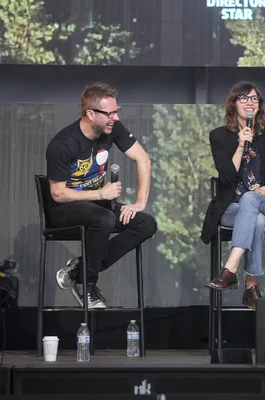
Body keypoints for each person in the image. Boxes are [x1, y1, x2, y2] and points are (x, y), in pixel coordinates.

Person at [45, 82, 157, 309]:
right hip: (64, 209)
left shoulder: (112, 128)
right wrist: (99, 192)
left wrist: (139, 202)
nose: (115, 118)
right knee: (104, 218)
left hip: (97, 205)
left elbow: (143, 159)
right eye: (110, 113)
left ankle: (80, 268)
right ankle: (86, 284)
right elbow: (57, 194)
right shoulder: (63, 144)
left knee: (145, 224)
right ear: (90, 113)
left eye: (117, 112)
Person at [201, 81, 265, 309]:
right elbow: (227, 178)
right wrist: (240, 147)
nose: (249, 103)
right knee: (256, 221)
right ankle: (251, 286)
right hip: (232, 208)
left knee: (253, 200)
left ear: (259, 106)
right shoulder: (219, 136)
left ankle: (229, 269)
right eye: (244, 98)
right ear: (233, 105)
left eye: (254, 99)